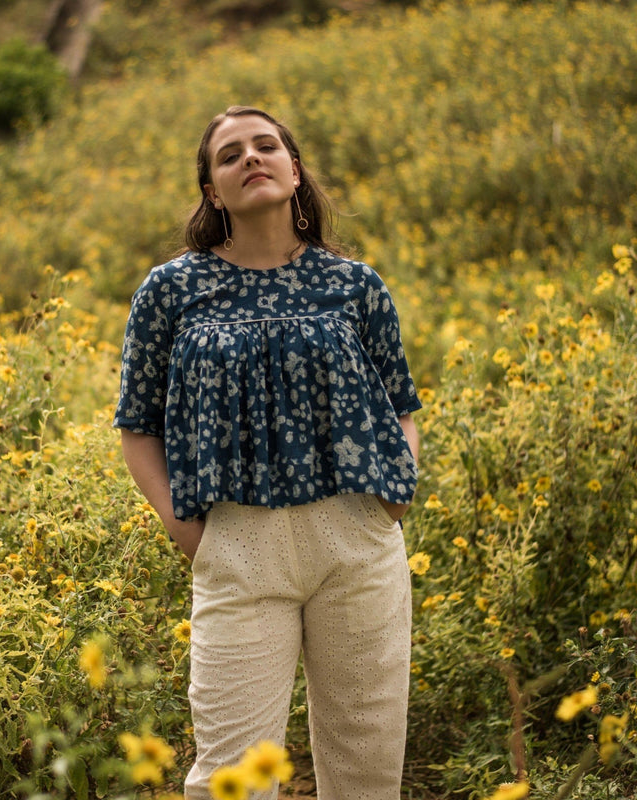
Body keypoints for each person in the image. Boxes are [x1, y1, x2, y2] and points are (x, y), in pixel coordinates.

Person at [113, 105, 421, 800]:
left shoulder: (355, 284)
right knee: (229, 779)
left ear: (294, 169)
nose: (251, 157)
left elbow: (401, 402)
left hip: (357, 536)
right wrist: (186, 530)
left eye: (265, 146)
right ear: (213, 192)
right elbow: (138, 426)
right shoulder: (172, 290)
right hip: (237, 545)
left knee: (367, 767)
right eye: (230, 155)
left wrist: (395, 493)